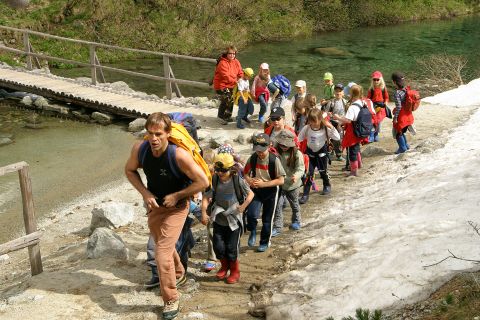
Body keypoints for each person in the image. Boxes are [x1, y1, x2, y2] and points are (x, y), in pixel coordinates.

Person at [125, 112, 209, 320]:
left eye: (159, 134)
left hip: (178, 206)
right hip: (155, 205)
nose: (154, 139)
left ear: (168, 133)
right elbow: (129, 170)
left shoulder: (178, 155)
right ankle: (179, 272)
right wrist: (145, 193)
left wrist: (177, 196)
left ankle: (171, 298)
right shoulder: (140, 149)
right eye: (150, 133)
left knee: (160, 253)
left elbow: (203, 182)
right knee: (162, 243)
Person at [201, 153, 254, 284]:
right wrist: (203, 212)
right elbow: (206, 197)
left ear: (231, 168)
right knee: (218, 247)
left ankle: (235, 271)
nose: (219, 173)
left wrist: (243, 207)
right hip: (219, 219)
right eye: (217, 169)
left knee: (231, 248)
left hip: (234, 220)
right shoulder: (215, 179)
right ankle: (224, 267)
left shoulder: (237, 180)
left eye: (223, 170)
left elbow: (250, 194)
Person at [243, 133, 285, 252]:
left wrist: (264, 184)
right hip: (256, 189)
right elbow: (245, 173)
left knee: (267, 219)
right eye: (257, 150)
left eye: (262, 150)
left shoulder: (274, 160)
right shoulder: (253, 158)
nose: (260, 153)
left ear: (269, 146)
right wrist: (250, 181)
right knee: (251, 214)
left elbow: (281, 180)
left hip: (271, 190)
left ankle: (265, 242)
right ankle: (252, 231)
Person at [298, 108, 340, 203]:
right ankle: (305, 194)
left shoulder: (325, 128)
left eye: (315, 121)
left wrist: (331, 127)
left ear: (320, 119)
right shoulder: (307, 128)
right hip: (310, 154)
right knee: (308, 174)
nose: (313, 123)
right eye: (311, 121)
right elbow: (299, 138)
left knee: (323, 171)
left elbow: (337, 137)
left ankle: (326, 184)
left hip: (322, 152)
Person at [332, 85, 370, 176]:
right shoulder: (362, 102)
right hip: (360, 129)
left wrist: (338, 118)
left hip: (353, 132)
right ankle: (359, 164)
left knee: (352, 152)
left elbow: (348, 120)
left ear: (351, 94)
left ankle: (354, 171)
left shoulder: (352, 107)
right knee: (356, 148)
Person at [271, 130, 304, 236]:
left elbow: (301, 168)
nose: (283, 147)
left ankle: (296, 221)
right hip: (280, 184)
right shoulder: (276, 153)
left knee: (294, 204)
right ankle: (277, 226)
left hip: (293, 184)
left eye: (286, 145)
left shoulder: (297, 154)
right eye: (281, 144)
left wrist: (296, 176)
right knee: (278, 205)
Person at [213, 45, 243, 124]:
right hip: (221, 85)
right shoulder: (222, 63)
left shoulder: (236, 61)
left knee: (230, 100)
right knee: (228, 99)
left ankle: (227, 116)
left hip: (232, 84)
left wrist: (240, 78)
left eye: (234, 53)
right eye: (230, 53)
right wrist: (236, 81)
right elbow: (225, 76)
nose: (232, 55)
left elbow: (240, 72)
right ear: (226, 53)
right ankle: (221, 116)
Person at [323, 83, 347, 161]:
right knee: (334, 138)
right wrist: (328, 114)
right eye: (336, 91)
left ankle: (338, 153)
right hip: (332, 122)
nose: (338, 93)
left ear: (343, 93)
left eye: (340, 91)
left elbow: (348, 113)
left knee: (340, 139)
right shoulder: (331, 102)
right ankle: (336, 153)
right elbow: (325, 113)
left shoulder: (345, 102)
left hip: (342, 122)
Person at [391, 71, 414, 154]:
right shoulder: (406, 89)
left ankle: (402, 148)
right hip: (408, 115)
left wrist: (395, 118)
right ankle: (406, 146)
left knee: (398, 133)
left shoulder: (397, 93)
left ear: (394, 82)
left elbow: (399, 107)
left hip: (401, 117)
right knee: (402, 131)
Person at [367, 71, 389, 142]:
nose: (376, 81)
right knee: (372, 121)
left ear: (381, 80)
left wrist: (385, 103)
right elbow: (368, 99)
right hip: (373, 107)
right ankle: (371, 135)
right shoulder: (371, 89)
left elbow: (386, 97)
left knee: (378, 122)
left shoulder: (383, 88)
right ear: (372, 80)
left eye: (377, 79)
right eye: (374, 79)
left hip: (381, 108)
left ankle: (376, 134)